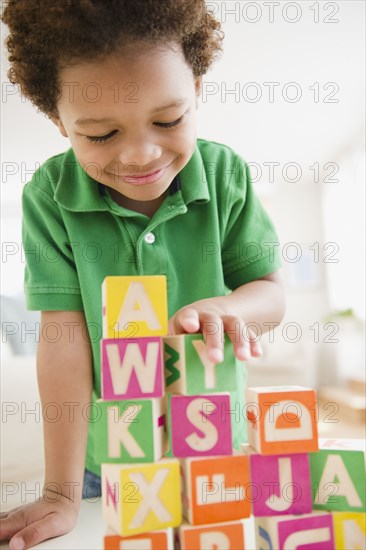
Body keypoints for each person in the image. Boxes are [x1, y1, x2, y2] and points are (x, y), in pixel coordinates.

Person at [0, 1, 285, 548]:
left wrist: (229, 308)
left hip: (213, 447)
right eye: (101, 135)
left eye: (168, 120)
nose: (140, 154)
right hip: (106, 458)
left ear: (197, 90)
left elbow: (270, 295)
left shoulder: (226, 174)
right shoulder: (48, 196)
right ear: (59, 121)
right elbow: (63, 339)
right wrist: (59, 493)